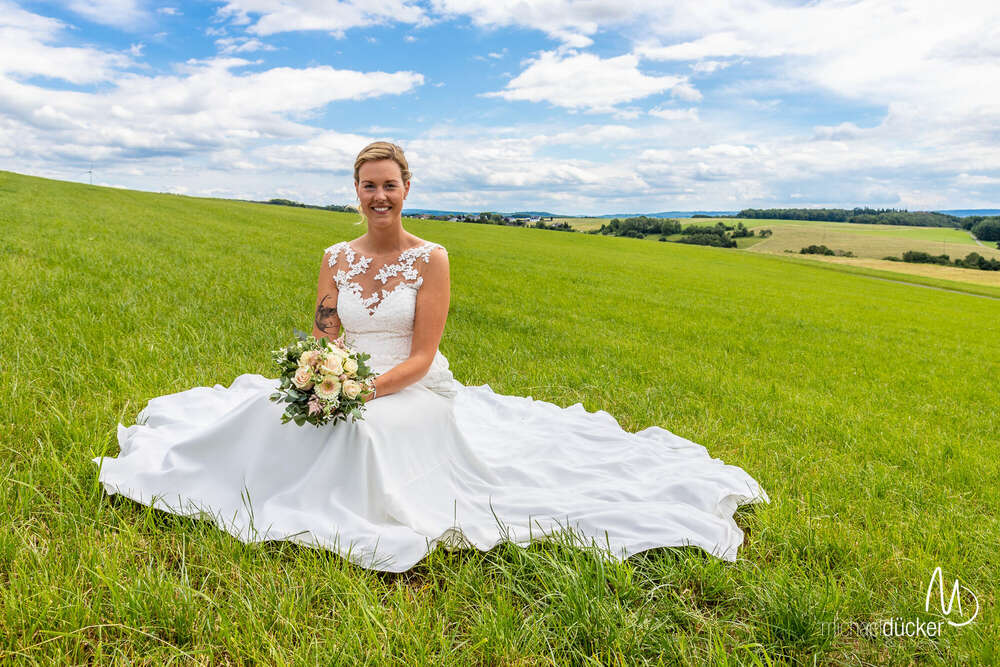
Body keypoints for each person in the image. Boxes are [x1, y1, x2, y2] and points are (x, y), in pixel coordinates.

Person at [92, 141, 770, 573]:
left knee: (361, 430)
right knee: (270, 413)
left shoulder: (431, 259)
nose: (378, 196)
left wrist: (361, 390)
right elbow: (326, 330)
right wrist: (322, 374)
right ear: (354, 191)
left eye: (389, 184)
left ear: (406, 189)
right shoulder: (332, 257)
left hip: (408, 385)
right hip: (345, 375)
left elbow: (422, 356)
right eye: (367, 185)